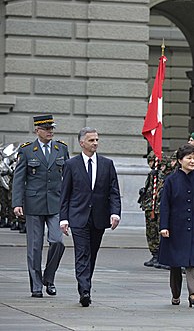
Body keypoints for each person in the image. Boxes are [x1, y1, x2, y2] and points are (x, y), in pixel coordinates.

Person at [59, 127, 121, 307]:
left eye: (96, 140)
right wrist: (64, 218)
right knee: (82, 253)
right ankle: (84, 290)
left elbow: (114, 191)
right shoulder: (71, 165)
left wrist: (115, 213)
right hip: (78, 217)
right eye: (91, 140)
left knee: (92, 254)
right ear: (81, 143)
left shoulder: (107, 164)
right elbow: (65, 194)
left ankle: (86, 282)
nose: (95, 143)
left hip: (99, 217)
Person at [12, 114, 69, 298]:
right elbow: (19, 179)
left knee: (57, 242)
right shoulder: (27, 150)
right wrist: (16, 203)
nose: (50, 131)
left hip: (56, 203)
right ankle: (36, 286)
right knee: (34, 247)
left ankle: (48, 278)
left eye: (52, 128)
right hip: (34, 204)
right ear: (37, 130)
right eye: (46, 129)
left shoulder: (61, 148)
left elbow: (68, 178)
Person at [158, 144, 194, 307]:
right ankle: (175, 294)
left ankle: (193, 294)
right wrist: (164, 226)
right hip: (176, 227)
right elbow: (165, 205)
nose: (192, 161)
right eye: (189, 158)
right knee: (176, 263)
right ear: (180, 160)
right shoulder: (171, 180)